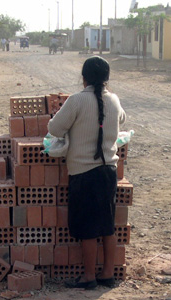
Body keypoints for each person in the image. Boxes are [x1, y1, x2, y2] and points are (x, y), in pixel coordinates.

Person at [48, 56, 126, 290]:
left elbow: (54, 128)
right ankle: (108, 274)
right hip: (108, 171)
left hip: (83, 173)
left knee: (88, 228)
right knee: (107, 225)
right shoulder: (113, 99)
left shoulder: (77, 100)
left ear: (84, 78)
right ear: (106, 78)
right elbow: (122, 119)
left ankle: (88, 276)